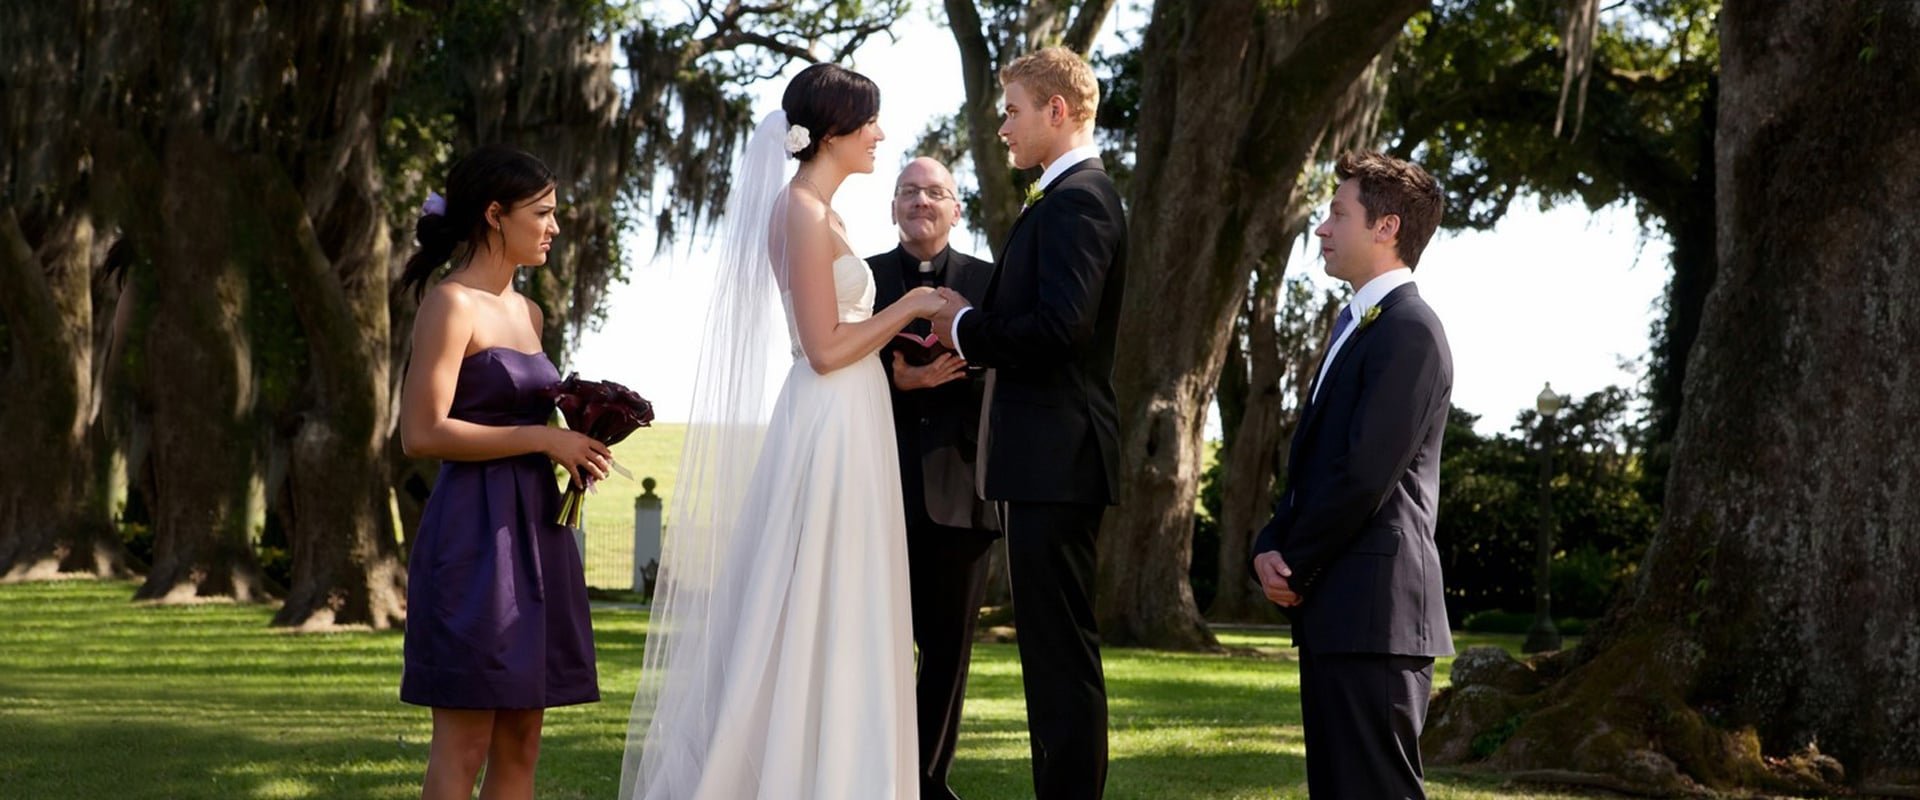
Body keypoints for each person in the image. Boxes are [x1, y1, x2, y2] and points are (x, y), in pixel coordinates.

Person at [619, 63, 948, 799]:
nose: (880, 137)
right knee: (815, 594)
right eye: (870, 123)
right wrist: (913, 305)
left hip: (853, 414)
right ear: (831, 130)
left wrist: (896, 369)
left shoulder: (823, 212)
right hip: (827, 423)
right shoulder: (799, 208)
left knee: (850, 595)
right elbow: (824, 346)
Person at [928, 46, 1127, 800]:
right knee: (1048, 655)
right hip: (1043, 459)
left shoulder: (1081, 200)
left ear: (1057, 110)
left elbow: (1059, 331)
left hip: (1059, 458)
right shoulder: (1060, 196)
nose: (1002, 125)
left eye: (1012, 110)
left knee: (1061, 656)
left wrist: (967, 327)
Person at [396, 144, 609, 800]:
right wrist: (542, 438)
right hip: (472, 536)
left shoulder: (528, 312)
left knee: (523, 738)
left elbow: (531, 422)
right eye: (541, 212)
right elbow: (421, 433)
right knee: (465, 743)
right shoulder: (451, 304)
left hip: (538, 535)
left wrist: (575, 445)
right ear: (495, 214)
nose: (553, 226)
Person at [1251, 150, 1455, 799]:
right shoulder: (1360, 327)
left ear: (1386, 227)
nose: (1322, 229)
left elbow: (1365, 474)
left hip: (1378, 614)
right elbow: (1317, 466)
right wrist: (1269, 547)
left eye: (1338, 213)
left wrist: (1295, 560)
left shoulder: (1410, 332)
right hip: (1341, 611)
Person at [867, 156, 1000, 800]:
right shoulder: (862, 280)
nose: (921, 201)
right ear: (893, 207)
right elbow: (829, 369)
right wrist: (901, 386)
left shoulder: (989, 280)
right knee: (873, 645)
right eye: (909, 192)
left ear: (956, 208)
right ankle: (874, 772)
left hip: (963, 493)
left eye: (935, 192)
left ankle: (926, 780)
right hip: (873, 490)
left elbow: (1008, 370)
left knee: (947, 652)